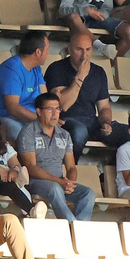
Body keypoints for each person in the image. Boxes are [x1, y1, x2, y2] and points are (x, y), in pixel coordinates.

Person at [44, 30, 128, 159]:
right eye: (79, 50)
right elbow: (64, 105)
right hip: (66, 121)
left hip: (92, 122)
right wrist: (81, 75)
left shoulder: (98, 72)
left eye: (88, 50)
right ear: (70, 49)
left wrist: (106, 122)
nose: (84, 55)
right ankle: (69, 171)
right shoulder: (56, 68)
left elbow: (104, 107)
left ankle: (116, 173)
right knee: (79, 132)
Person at [17, 93, 93, 222]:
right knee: (55, 189)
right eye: (50, 109)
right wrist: (60, 182)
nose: (55, 113)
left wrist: (70, 183)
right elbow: (31, 168)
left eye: (57, 109)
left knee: (88, 194)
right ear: (39, 111)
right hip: (35, 182)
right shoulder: (28, 132)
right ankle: (72, 226)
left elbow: (71, 167)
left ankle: (81, 227)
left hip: (60, 182)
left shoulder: (64, 135)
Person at [0, 33, 49, 142]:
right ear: (38, 52)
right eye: (47, 49)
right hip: (3, 118)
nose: (48, 53)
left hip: (30, 118)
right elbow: (13, 108)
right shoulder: (11, 69)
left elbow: (44, 98)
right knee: (22, 133)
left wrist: (50, 115)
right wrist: (42, 120)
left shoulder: (36, 69)